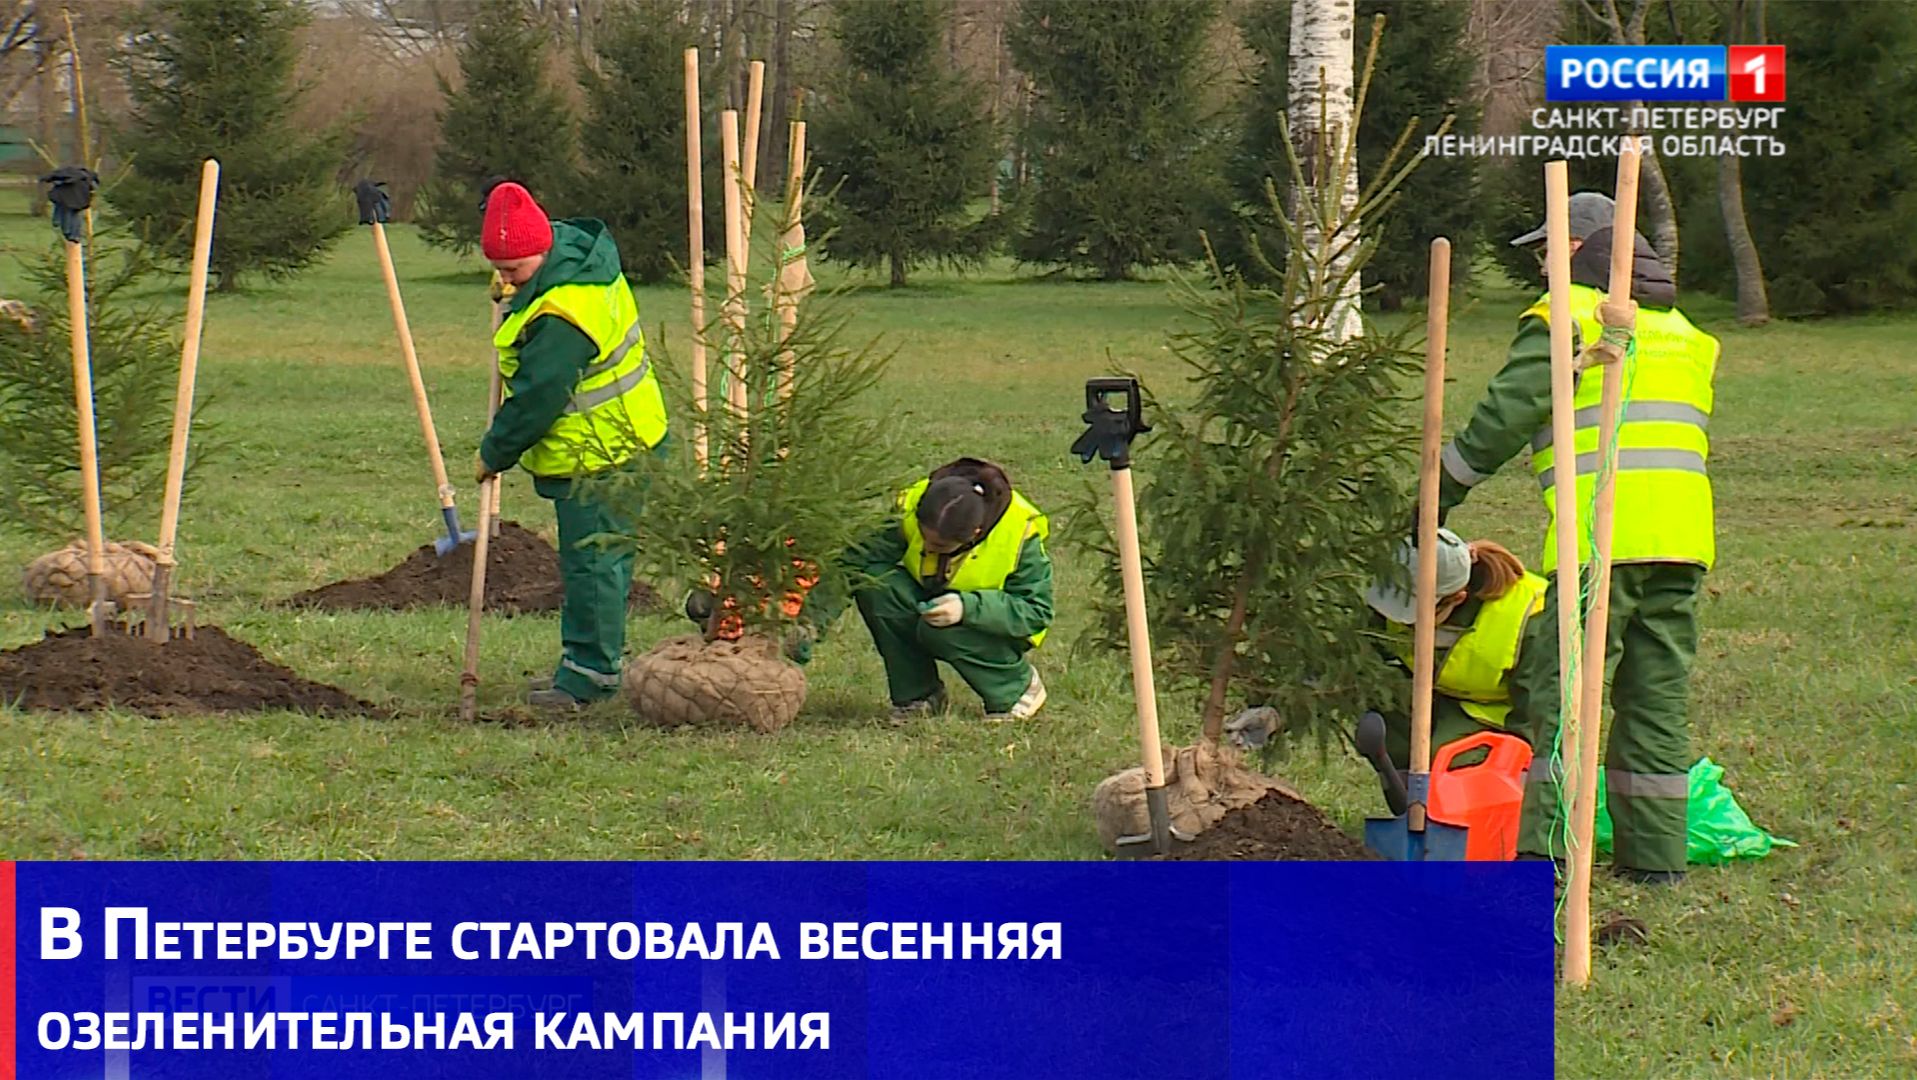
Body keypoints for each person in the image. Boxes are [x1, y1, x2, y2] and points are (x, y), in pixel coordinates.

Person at [1435, 206, 1720, 885]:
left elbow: (1506, 414)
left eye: (1544, 252)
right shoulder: (1684, 332)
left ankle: (1545, 849)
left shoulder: (1569, 314)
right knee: (1653, 696)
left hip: (1600, 537)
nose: (1539, 266)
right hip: (1681, 540)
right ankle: (1654, 861)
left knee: (1558, 694)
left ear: (1572, 246)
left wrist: (1436, 494)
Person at [472, 182, 669, 710]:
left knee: (594, 565)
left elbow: (540, 397)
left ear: (539, 251)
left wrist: (494, 451)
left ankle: (591, 675)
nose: (504, 280)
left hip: (605, 452)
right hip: (625, 436)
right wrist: (517, 292)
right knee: (599, 562)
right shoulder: (571, 258)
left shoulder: (564, 314)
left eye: (512, 271)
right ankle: (592, 662)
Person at [800, 458, 1053, 722]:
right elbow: (855, 561)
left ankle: (1017, 689)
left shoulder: (1019, 531)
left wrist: (967, 608)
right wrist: (811, 622)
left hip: (994, 624)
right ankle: (920, 697)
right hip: (934, 603)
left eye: (940, 546)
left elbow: (1036, 611)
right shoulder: (914, 506)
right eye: (924, 538)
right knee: (877, 583)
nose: (929, 548)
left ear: (974, 534)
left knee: (944, 631)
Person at [1363, 529, 1549, 770]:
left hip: (1501, 716)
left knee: (1442, 758)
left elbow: (1536, 714)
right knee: (1380, 728)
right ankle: (1412, 804)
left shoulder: (1530, 616)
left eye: (1412, 616)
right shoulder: (1401, 588)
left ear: (1457, 598)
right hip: (1439, 696)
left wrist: (1514, 763)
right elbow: (1366, 652)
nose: (1402, 624)